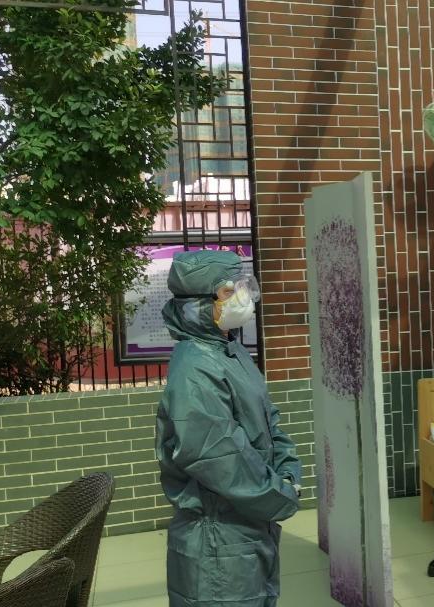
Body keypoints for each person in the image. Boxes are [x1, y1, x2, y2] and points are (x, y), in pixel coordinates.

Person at [155, 250, 302, 607]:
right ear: (197, 304)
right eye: (228, 291)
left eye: (243, 286)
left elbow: (268, 419)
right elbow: (218, 455)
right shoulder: (195, 368)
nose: (242, 297)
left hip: (247, 526)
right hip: (219, 540)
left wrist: (288, 472)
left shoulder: (228, 351)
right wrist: (279, 494)